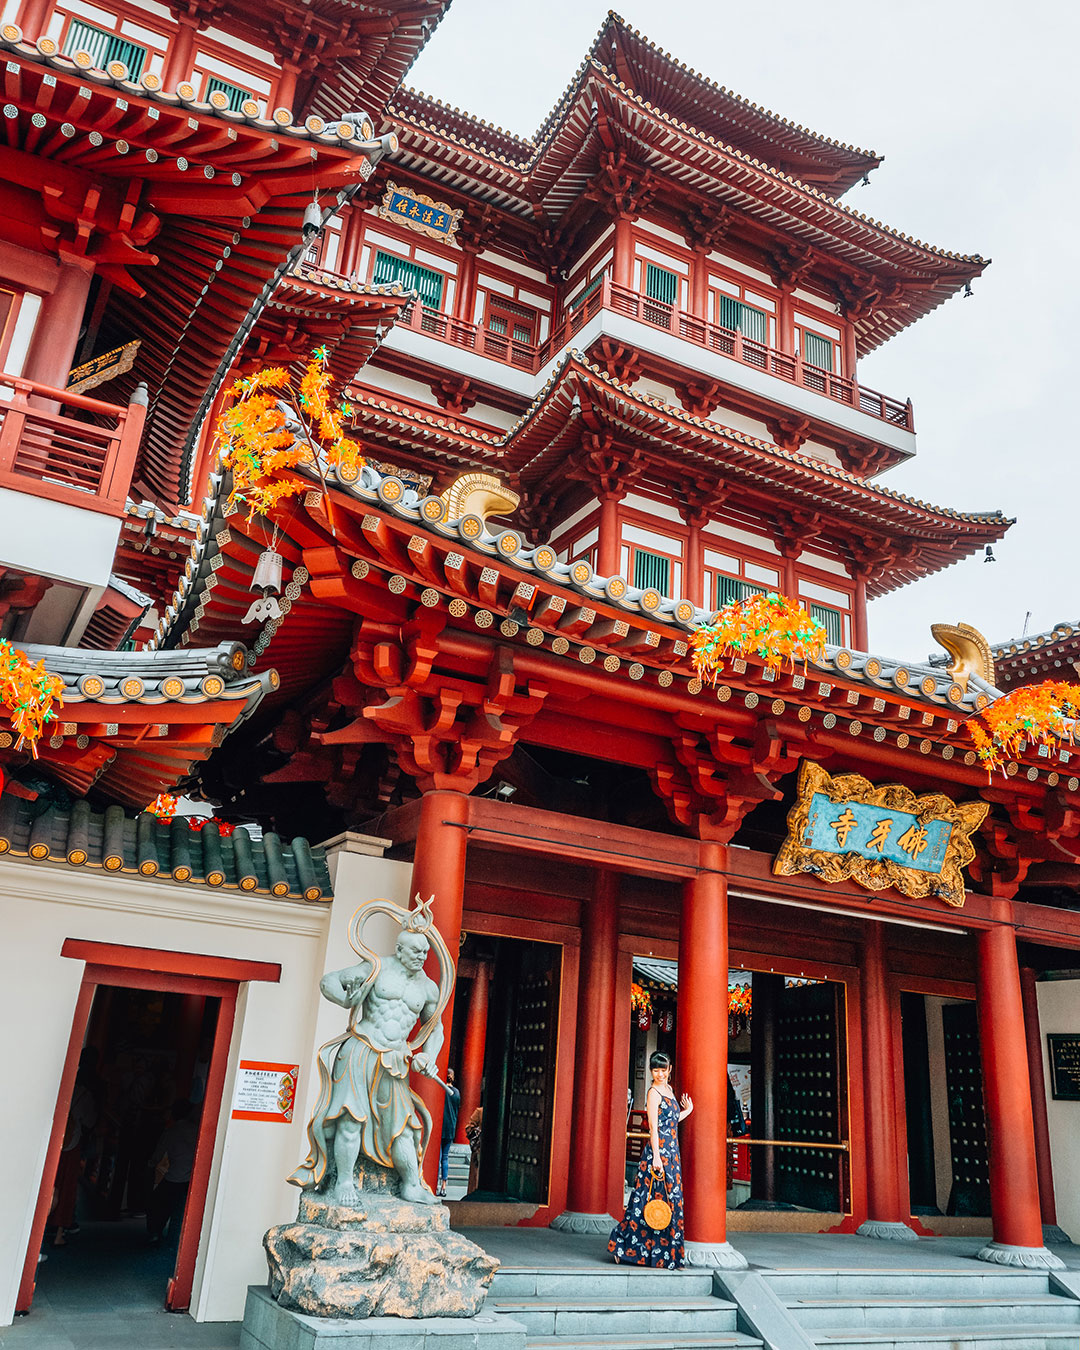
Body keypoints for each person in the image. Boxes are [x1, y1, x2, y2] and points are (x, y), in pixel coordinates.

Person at [289, 916, 446, 1206]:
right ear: (399, 950)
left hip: (395, 1059)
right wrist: (347, 1000)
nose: (421, 957)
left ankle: (411, 1184)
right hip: (361, 1049)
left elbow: (435, 1028)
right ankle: (344, 1181)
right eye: (414, 951)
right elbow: (329, 982)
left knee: (405, 1126)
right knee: (350, 1117)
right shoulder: (376, 967)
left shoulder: (428, 988)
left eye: (425, 952)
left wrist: (429, 1055)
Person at [608, 1051, 692, 1269]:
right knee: (645, 1201)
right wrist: (656, 1156)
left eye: (663, 1070)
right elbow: (654, 1128)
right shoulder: (653, 1093)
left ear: (669, 1069)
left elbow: (671, 1121)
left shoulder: (669, 1090)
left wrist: (687, 1111)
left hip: (672, 1152)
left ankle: (668, 1256)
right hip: (658, 1152)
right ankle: (622, 1246)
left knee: (671, 1201)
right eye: (656, 1070)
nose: (660, 1074)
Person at [147, 1099, 199, 1244]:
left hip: (174, 1177)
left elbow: (157, 1155)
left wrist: (150, 1165)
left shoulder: (171, 1131)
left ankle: (155, 1233)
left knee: (158, 1203)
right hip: (192, 1179)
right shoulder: (197, 1131)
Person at [436, 1067, 460, 1197]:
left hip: (440, 1127)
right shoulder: (456, 1093)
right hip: (450, 1128)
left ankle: (434, 1185)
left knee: (437, 1158)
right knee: (445, 1158)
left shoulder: (441, 1090)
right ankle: (444, 1187)